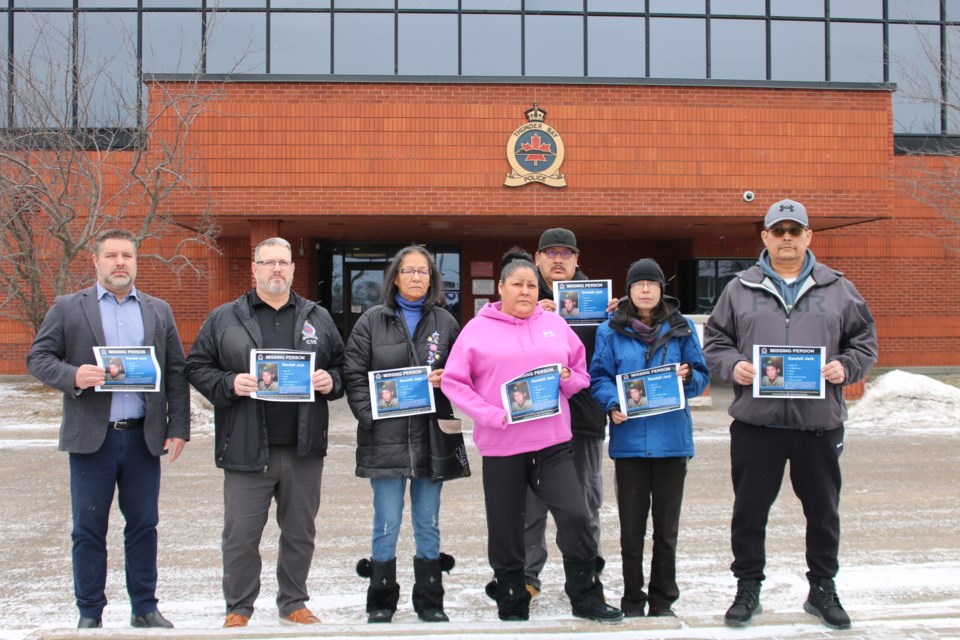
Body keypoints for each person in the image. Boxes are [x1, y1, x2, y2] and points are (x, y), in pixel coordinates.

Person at [703, 199, 878, 631]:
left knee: (822, 511)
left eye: (794, 231)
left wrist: (846, 367)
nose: (786, 238)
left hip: (817, 424)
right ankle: (747, 588)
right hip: (756, 424)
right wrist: (733, 366)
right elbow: (714, 342)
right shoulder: (739, 288)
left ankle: (822, 589)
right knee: (749, 511)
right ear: (764, 237)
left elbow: (863, 342)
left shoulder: (838, 287)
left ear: (807, 237)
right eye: (778, 231)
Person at [441, 249, 623, 624]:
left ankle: (585, 593)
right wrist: (490, 415)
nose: (525, 291)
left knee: (575, 514)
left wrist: (571, 381)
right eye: (516, 284)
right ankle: (511, 596)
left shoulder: (555, 325)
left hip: (553, 444)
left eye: (530, 284)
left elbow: (579, 370)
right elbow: (454, 382)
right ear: (501, 288)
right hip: (502, 446)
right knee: (507, 526)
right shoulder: (477, 329)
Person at [26, 229, 190, 630]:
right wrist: (73, 375)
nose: (121, 262)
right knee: (88, 529)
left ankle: (144, 607)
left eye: (128, 256)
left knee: (143, 526)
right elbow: (37, 357)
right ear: (95, 261)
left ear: (136, 261)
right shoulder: (68, 308)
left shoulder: (157, 310)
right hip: (91, 439)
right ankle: (89, 612)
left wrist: (179, 427)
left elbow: (174, 372)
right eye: (112, 256)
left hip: (142, 437)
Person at [183, 237, 345, 629]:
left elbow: (343, 367)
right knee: (240, 535)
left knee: (299, 532)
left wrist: (331, 381)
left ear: (293, 269)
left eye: (283, 263)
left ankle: (293, 602)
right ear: (253, 268)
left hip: (302, 447)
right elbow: (196, 366)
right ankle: (238, 606)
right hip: (245, 445)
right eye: (268, 262)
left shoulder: (316, 317)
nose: (276, 269)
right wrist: (228, 383)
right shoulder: (225, 317)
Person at [343, 245, 461, 624]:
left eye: (423, 271)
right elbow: (354, 374)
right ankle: (381, 598)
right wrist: (370, 416)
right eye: (408, 271)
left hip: (432, 438)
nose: (415, 277)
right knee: (386, 520)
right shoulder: (371, 322)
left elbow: (466, 372)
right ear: (394, 277)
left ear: (432, 278)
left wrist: (451, 380)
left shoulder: (446, 322)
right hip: (385, 438)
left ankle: (430, 598)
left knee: (428, 520)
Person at [590, 258, 710, 618]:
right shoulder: (609, 330)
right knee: (631, 530)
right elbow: (599, 376)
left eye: (652, 284)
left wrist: (688, 378)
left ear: (661, 290)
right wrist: (612, 403)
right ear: (628, 290)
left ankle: (662, 598)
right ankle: (631, 596)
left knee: (666, 530)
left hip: (673, 440)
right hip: (629, 443)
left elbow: (702, 376)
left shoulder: (682, 327)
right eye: (638, 284)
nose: (645, 290)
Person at [524, 228, 613, 598]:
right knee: (530, 505)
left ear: (577, 259)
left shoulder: (599, 301)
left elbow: (613, 359)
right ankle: (527, 578)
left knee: (584, 503)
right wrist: (530, 316)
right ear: (537, 258)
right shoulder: (522, 295)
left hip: (583, 418)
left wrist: (619, 317)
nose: (558, 259)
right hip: (532, 419)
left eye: (566, 253)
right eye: (550, 252)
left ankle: (585, 572)